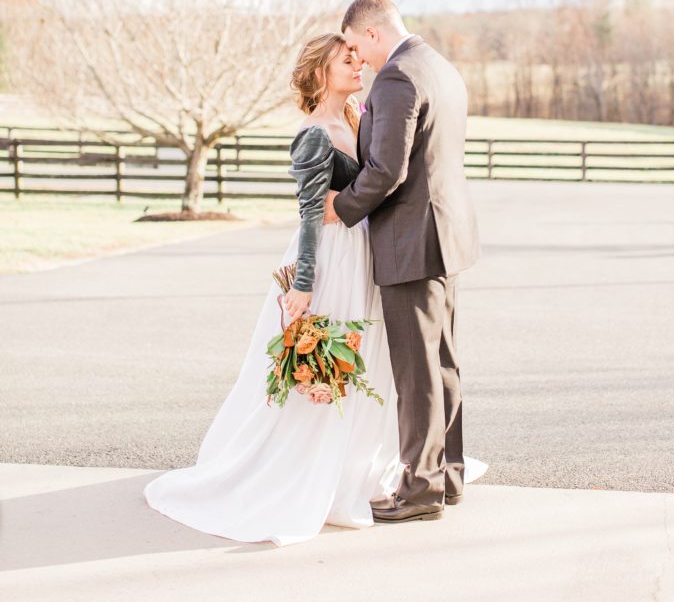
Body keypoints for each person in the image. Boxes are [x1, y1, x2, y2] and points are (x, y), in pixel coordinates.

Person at [142, 29, 487, 546]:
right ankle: (303, 467)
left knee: (371, 365)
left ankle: (363, 463)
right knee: (328, 368)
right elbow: (309, 216)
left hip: (367, 255)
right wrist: (302, 285)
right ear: (320, 73)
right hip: (330, 263)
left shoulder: (356, 118)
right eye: (345, 59)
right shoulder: (314, 134)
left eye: (357, 55)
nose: (357, 64)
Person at [321, 0, 482, 523]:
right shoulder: (438, 66)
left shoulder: (395, 77)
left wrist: (340, 209)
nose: (357, 59)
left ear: (370, 33)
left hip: (411, 241)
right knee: (443, 364)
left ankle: (419, 491)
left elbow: (387, 170)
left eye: (353, 45)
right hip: (445, 237)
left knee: (417, 372)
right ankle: (447, 476)